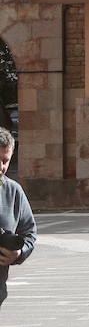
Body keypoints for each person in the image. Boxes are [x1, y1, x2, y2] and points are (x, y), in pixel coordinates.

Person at [0, 127, 37, 309]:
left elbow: (29, 233)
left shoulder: (13, 191)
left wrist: (18, 253)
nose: (1, 166)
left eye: (5, 161)